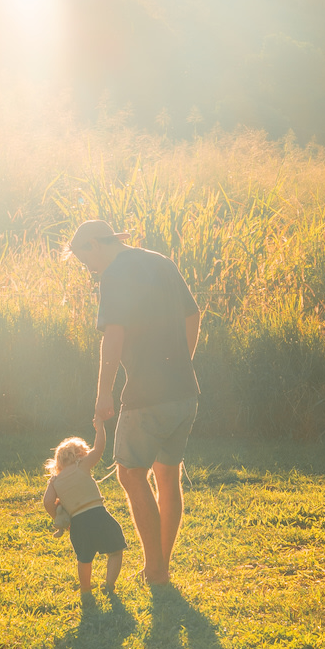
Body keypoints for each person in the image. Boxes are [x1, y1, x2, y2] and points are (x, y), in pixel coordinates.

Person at [67, 219, 200, 586]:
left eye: (86, 261)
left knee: (129, 474)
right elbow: (193, 315)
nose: (90, 270)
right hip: (184, 392)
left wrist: (104, 392)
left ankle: (155, 570)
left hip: (146, 396)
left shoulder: (114, 274)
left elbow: (113, 335)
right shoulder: (161, 262)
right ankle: (159, 567)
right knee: (167, 476)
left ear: (95, 245)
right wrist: (182, 363)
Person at [43, 418, 127, 595]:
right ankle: (109, 584)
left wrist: (59, 518)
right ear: (80, 454)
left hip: (78, 523)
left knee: (84, 558)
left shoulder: (55, 481)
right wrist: (100, 428)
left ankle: (85, 589)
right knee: (115, 550)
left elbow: (47, 502)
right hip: (98, 515)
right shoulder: (81, 465)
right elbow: (99, 448)